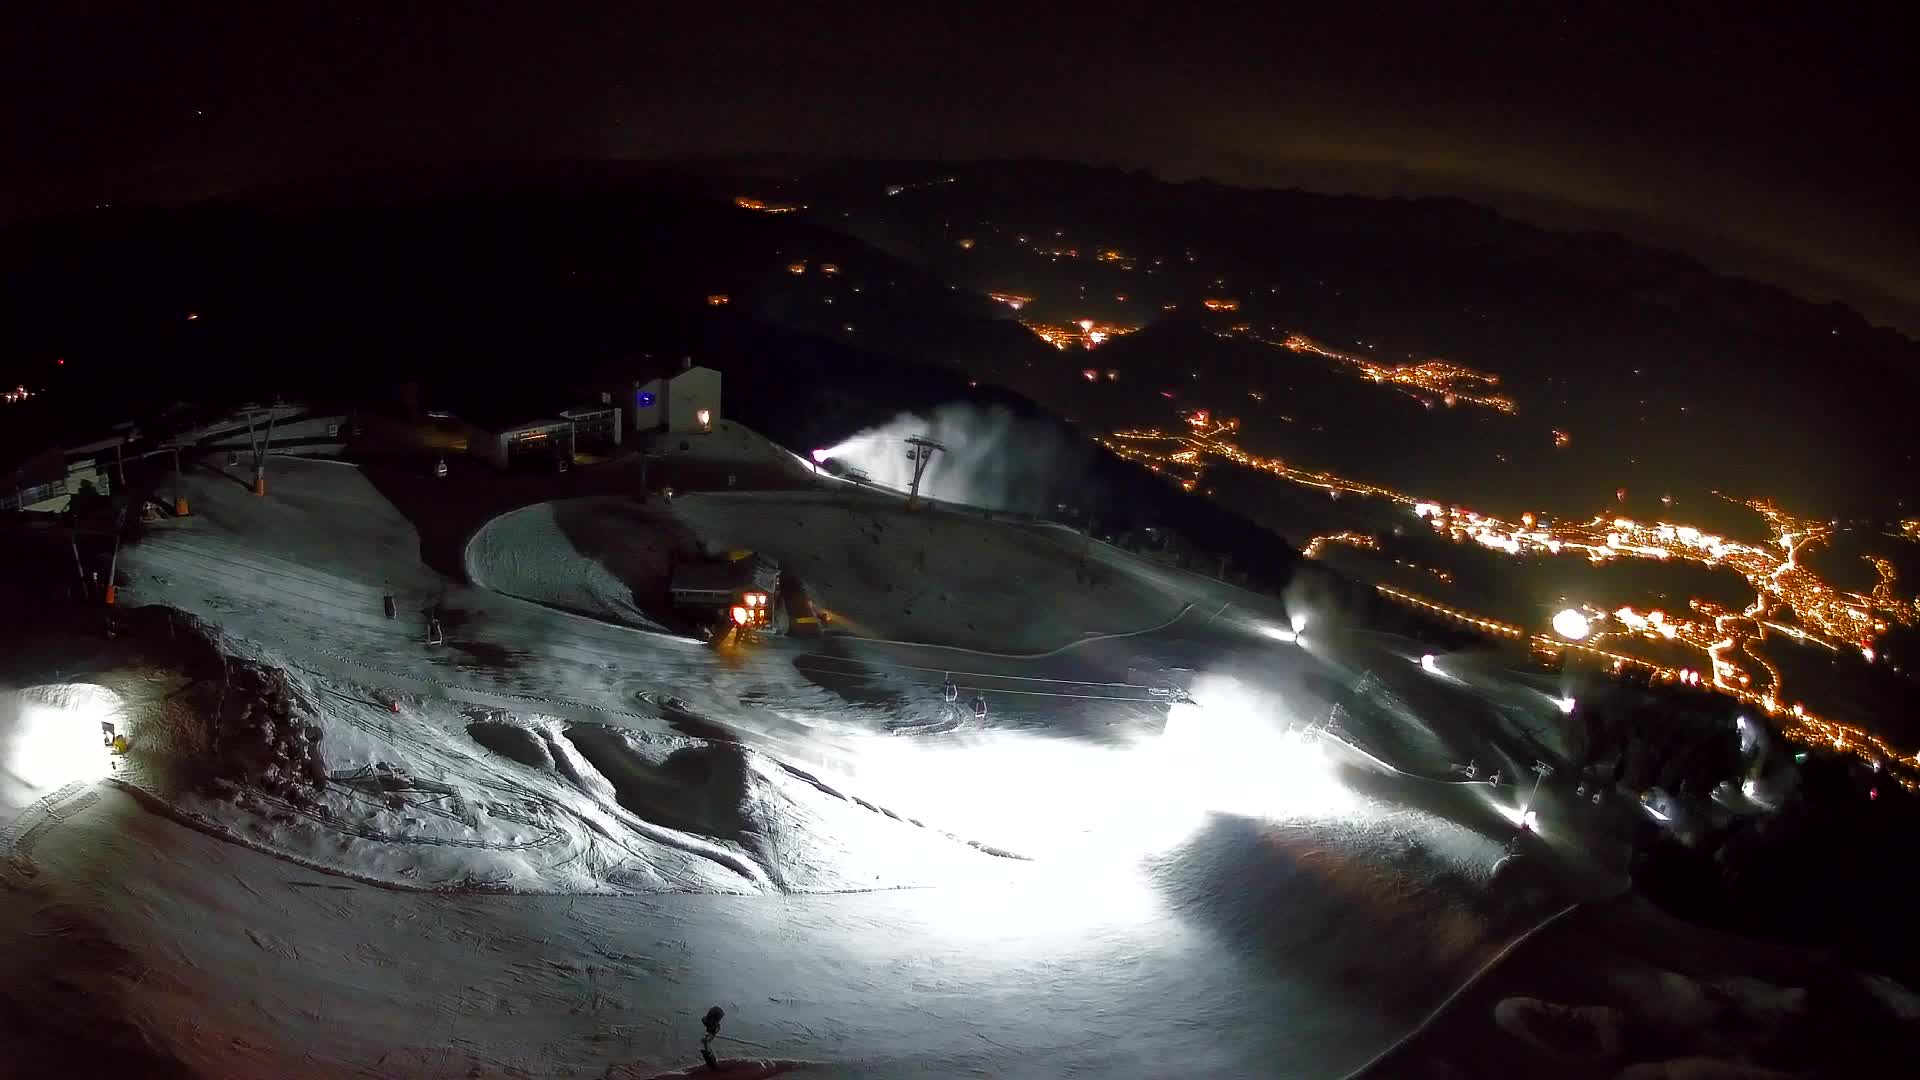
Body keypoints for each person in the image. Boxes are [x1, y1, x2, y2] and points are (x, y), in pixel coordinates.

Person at [700, 1005, 725, 1071]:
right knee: (706, 1047)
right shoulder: (709, 1023)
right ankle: (712, 1063)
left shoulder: (716, 1027)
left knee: (707, 1046)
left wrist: (710, 1036)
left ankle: (712, 1063)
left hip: (710, 1034)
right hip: (709, 1036)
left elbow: (713, 1032)